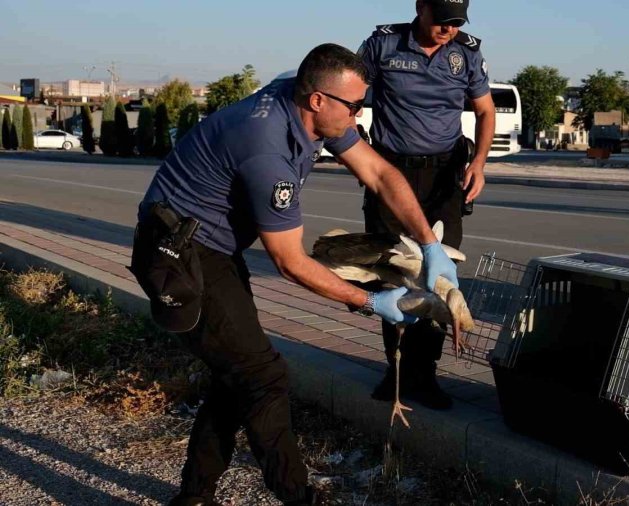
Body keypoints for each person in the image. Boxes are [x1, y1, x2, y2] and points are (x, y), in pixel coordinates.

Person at [130, 43, 459, 506]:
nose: (360, 116)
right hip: (177, 254)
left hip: (210, 247)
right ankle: (298, 497)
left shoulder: (308, 106)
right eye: (355, 106)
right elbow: (289, 260)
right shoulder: (266, 149)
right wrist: (368, 301)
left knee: (238, 374)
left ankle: (193, 498)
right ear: (318, 99)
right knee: (262, 376)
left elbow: (380, 174)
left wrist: (429, 244)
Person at [358, 0, 496, 410]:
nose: (447, 29)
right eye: (441, 20)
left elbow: (485, 110)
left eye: (456, 22)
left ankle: (426, 374)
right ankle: (396, 370)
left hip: (443, 177)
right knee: (393, 271)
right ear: (420, 7)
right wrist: (357, 152)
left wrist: (480, 163)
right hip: (390, 170)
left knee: (440, 276)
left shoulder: (467, 51)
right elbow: (349, 97)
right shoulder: (383, 45)